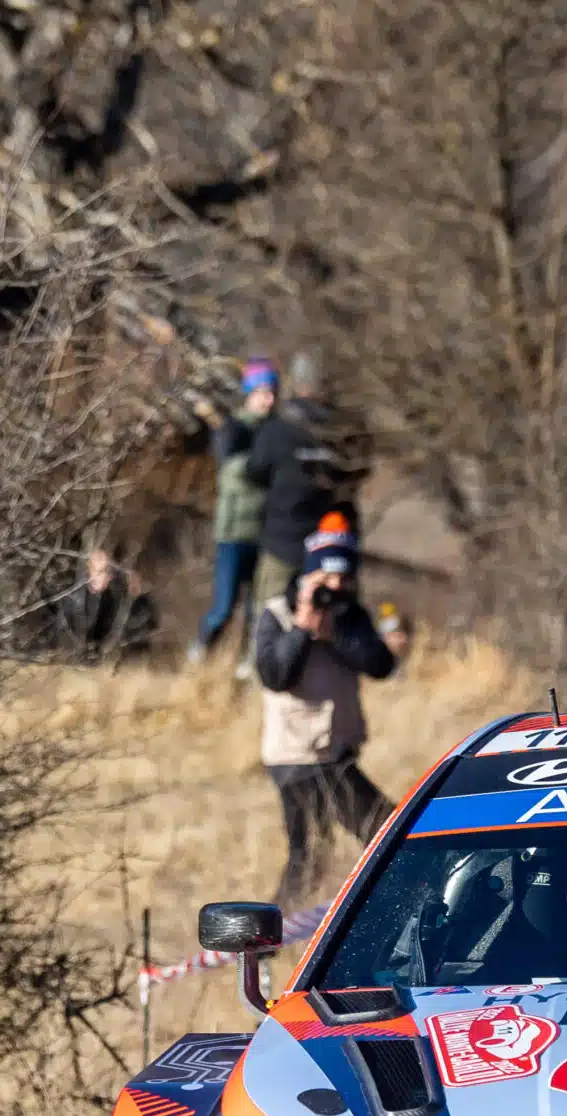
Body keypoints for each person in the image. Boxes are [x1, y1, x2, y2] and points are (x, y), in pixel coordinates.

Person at [254, 518, 397, 908]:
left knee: (317, 855)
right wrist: (303, 627)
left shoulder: (350, 617)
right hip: (299, 758)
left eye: (343, 576)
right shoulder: (278, 614)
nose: (335, 587)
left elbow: (380, 664)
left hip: (334, 754)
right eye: (325, 576)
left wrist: (334, 634)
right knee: (381, 834)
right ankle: (267, 943)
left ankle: (275, 939)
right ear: (308, 573)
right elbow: (274, 675)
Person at [243, 350, 365, 614]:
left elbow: (254, 472)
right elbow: (355, 474)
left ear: (295, 384)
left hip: (281, 541)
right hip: (331, 544)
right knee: (332, 623)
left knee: (272, 619)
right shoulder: (343, 430)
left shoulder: (276, 429)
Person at [193, 357, 277, 667]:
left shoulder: (275, 432)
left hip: (265, 534)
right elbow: (231, 470)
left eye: (272, 392)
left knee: (258, 608)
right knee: (224, 607)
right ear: (249, 393)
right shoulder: (233, 429)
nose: (268, 399)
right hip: (233, 534)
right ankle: (200, 651)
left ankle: (247, 664)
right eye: (263, 391)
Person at [56, 545, 160, 660]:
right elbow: (63, 627)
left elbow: (132, 631)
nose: (100, 575)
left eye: (103, 571)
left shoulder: (116, 602)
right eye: (97, 570)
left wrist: (132, 598)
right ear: (88, 569)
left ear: (108, 576)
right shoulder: (72, 598)